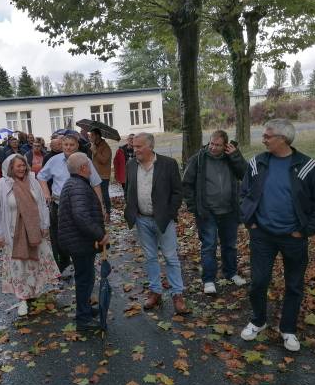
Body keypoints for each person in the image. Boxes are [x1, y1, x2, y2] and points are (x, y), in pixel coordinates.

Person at [239, 119, 315, 352]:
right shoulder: (257, 163)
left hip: (294, 237)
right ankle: (258, 321)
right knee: (258, 282)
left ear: (283, 139)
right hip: (262, 236)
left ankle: (288, 329)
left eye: (268, 136)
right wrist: (251, 222)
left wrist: (305, 230)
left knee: (294, 285)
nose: (263, 139)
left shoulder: (307, 166)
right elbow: (243, 194)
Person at [0, 154, 60, 317]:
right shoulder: (1, 185)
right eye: (17, 166)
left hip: (34, 231)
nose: (21, 169)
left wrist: (44, 224)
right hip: (13, 233)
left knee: (33, 263)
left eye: (23, 165)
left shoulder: (33, 182)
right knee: (19, 265)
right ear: (10, 168)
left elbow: (41, 204)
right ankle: (22, 298)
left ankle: (33, 291)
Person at [124, 133, 188, 314]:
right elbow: (128, 189)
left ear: (150, 146)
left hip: (164, 220)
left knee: (170, 256)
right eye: (134, 146)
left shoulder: (168, 164)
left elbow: (177, 192)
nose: (134, 150)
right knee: (150, 257)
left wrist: (169, 213)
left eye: (138, 147)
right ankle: (155, 292)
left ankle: (177, 295)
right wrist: (133, 211)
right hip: (142, 219)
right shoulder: (131, 165)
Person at [182, 130, 248, 294]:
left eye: (217, 145)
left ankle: (230, 273)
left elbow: (246, 175)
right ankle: (209, 280)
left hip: (229, 210)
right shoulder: (198, 159)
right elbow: (186, 184)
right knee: (209, 245)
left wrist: (236, 155)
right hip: (207, 211)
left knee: (229, 245)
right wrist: (193, 206)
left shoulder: (231, 158)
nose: (212, 147)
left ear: (225, 146)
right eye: (211, 143)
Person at [37, 134, 103, 273]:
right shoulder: (54, 160)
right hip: (58, 204)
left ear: (77, 146)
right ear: (62, 146)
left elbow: (96, 183)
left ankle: (82, 264)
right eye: (65, 145)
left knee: (80, 235)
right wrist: (46, 193)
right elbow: (41, 176)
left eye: (71, 145)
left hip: (79, 205)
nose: (68, 147)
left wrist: (100, 205)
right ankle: (63, 265)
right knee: (59, 237)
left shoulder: (84, 160)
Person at [58, 153, 109, 331]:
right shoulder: (78, 186)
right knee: (85, 279)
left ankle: (85, 309)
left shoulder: (74, 183)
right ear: (83, 168)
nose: (91, 167)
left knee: (85, 277)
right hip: (79, 242)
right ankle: (83, 318)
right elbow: (81, 216)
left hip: (77, 241)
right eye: (89, 164)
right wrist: (100, 235)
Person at [90, 128, 113, 222]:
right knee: (95, 195)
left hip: (103, 175)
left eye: (92, 135)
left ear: (97, 136)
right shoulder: (95, 145)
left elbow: (104, 160)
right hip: (95, 175)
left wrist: (95, 151)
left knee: (104, 194)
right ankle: (98, 213)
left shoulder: (106, 147)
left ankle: (108, 213)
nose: (90, 137)